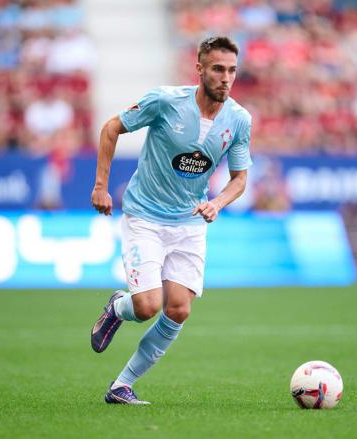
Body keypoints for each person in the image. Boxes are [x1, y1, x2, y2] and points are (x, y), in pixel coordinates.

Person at [90, 36, 252, 405]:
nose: (226, 78)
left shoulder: (239, 120)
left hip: (190, 223)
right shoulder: (165, 101)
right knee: (146, 307)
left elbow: (239, 178)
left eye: (232, 71)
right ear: (200, 70)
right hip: (145, 215)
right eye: (218, 69)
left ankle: (121, 386)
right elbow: (111, 127)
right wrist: (101, 186)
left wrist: (218, 203)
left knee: (178, 309)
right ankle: (118, 307)